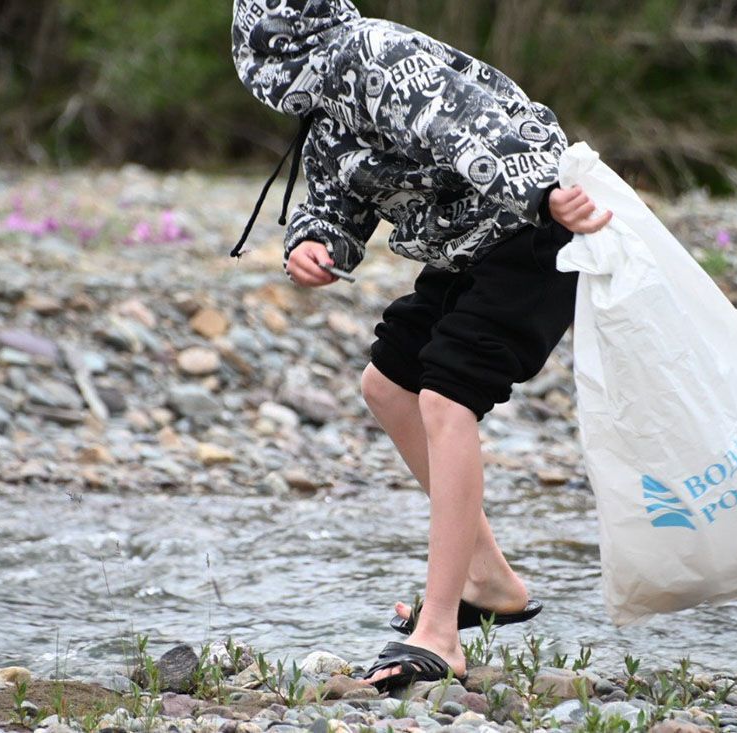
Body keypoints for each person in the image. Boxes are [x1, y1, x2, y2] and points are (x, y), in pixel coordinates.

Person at [229, 0, 612, 692]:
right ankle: (492, 580)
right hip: (472, 247)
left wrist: (545, 198)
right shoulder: (325, 109)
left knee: (446, 396)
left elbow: (478, 125)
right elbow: (336, 198)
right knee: (388, 383)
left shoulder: (376, 55)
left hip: (536, 231)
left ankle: (439, 632)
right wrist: (314, 246)